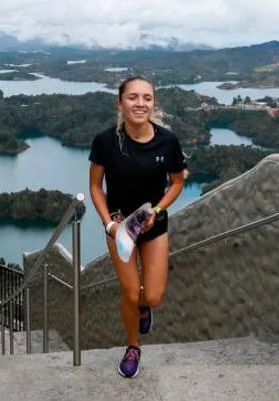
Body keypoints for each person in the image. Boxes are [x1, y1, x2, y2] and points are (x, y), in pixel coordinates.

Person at [88, 75, 187, 379]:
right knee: (130, 294)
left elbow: (178, 181)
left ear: (153, 103)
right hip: (120, 229)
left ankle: (146, 308)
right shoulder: (105, 142)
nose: (140, 103)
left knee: (153, 297)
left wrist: (158, 209)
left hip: (153, 227)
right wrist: (108, 225)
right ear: (120, 103)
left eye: (146, 97)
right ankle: (133, 347)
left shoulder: (167, 141)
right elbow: (95, 186)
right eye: (133, 97)